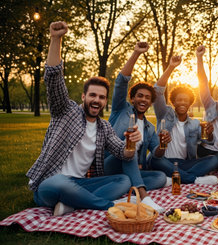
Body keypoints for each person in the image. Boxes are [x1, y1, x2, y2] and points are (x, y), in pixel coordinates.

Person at [26, 21, 139, 216]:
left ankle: (72, 204)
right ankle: (109, 206)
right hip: (51, 183)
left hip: (81, 184)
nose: (97, 100)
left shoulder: (104, 127)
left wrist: (131, 144)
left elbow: (122, 154)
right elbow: (54, 80)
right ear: (83, 97)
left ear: (105, 102)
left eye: (102, 97)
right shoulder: (66, 111)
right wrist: (56, 39)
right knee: (60, 182)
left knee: (123, 181)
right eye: (93, 95)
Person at [104, 41, 170, 213]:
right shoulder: (121, 109)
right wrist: (136, 54)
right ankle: (144, 196)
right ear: (132, 98)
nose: (143, 99)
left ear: (150, 102)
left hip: (127, 173)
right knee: (130, 145)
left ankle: (128, 189)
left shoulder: (149, 127)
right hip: (109, 164)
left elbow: (156, 153)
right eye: (139, 96)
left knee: (160, 177)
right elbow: (120, 82)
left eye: (147, 97)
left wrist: (164, 145)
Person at [150, 56, 218, 185]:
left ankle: (176, 178)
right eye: (179, 100)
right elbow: (157, 91)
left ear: (190, 103)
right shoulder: (164, 113)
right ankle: (194, 180)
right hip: (165, 160)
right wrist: (171, 67)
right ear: (173, 101)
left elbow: (209, 141)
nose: (182, 103)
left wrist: (210, 133)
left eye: (186, 100)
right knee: (154, 160)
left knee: (213, 160)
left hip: (186, 163)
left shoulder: (195, 123)